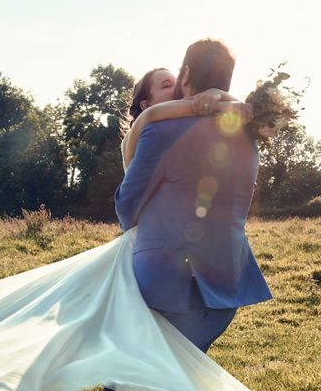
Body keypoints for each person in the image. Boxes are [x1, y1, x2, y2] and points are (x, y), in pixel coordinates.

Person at [0, 55, 260, 390]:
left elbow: (134, 204)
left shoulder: (169, 126)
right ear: (144, 101)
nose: (174, 89)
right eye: (163, 85)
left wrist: (213, 103)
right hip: (185, 263)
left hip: (154, 260)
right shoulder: (155, 126)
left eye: (176, 79)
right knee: (121, 357)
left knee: (141, 363)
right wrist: (221, 101)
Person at [115, 39, 273, 359]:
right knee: (169, 376)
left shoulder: (161, 131)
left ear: (186, 74)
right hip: (223, 292)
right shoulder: (248, 137)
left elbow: (126, 210)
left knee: (136, 375)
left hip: (163, 285)